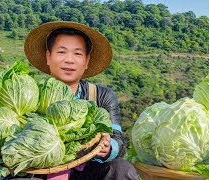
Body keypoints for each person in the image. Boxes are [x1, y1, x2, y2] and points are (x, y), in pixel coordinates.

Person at [24, 21, 138, 180]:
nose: (69, 60)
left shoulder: (101, 95)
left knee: (121, 168)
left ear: (87, 61)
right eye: (61, 52)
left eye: (77, 54)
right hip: (39, 171)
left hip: (86, 172)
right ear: (48, 57)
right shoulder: (29, 96)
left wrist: (108, 147)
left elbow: (118, 139)